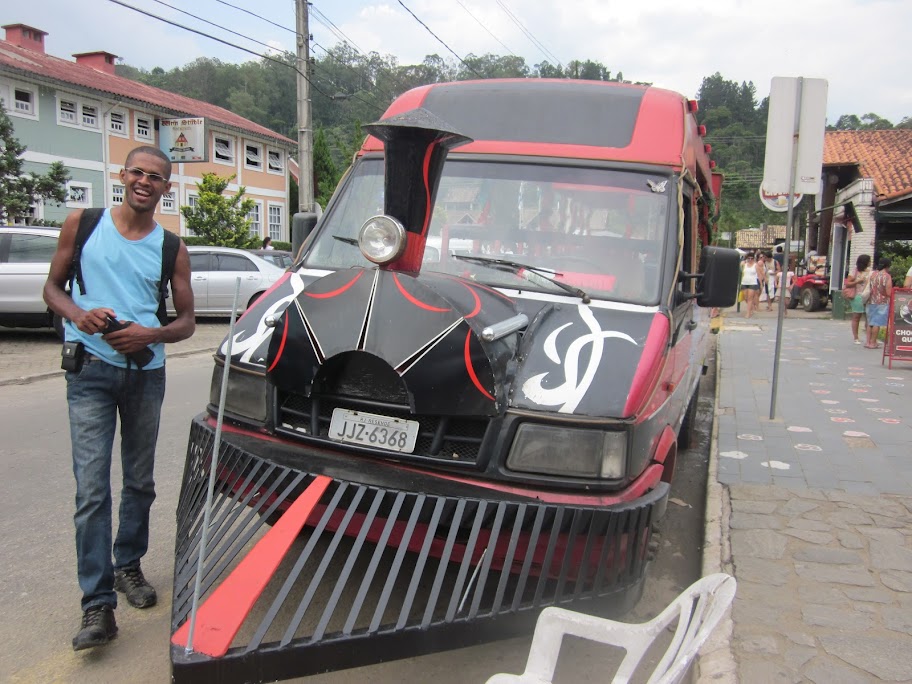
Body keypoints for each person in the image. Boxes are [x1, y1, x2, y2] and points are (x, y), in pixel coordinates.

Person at [43, 146, 195, 651]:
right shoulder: (83, 224)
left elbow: (187, 323)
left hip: (145, 375)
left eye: (156, 177)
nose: (145, 182)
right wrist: (77, 314)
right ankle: (97, 604)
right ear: (122, 175)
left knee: (139, 481)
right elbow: (52, 288)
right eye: (138, 173)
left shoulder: (172, 246)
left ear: (165, 188)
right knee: (91, 491)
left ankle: (127, 565)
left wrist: (148, 336)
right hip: (88, 370)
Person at [864, 256, 893, 349]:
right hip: (882, 302)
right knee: (877, 322)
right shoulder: (887, 276)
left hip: (871, 300)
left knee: (870, 322)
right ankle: (873, 342)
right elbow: (888, 292)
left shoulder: (873, 275)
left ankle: (868, 342)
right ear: (887, 266)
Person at [844, 254, 872, 345]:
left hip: (868, 295)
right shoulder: (854, 271)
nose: (870, 262)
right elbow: (847, 284)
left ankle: (869, 338)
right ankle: (856, 337)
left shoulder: (870, 272)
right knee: (857, 316)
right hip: (857, 296)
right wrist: (858, 281)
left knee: (869, 317)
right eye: (869, 261)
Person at [739, 253, 760, 319]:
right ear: (746, 259)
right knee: (746, 298)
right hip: (744, 282)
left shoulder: (755, 265)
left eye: (752, 258)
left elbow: (759, 275)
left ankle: (748, 313)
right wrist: (742, 263)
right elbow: (739, 270)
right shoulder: (744, 264)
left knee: (750, 298)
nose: (750, 260)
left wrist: (761, 284)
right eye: (749, 258)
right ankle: (751, 307)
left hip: (753, 283)